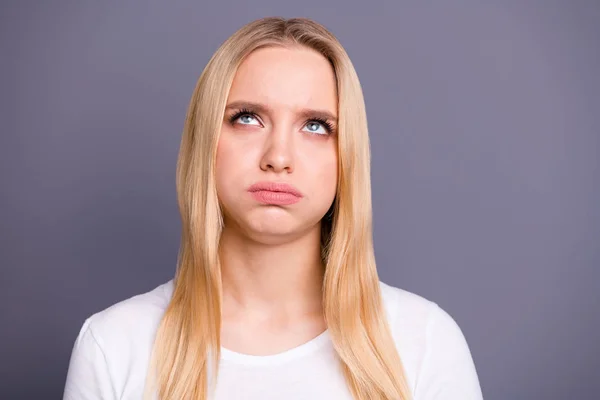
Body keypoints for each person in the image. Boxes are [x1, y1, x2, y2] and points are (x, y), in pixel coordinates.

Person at [63, 16, 483, 400]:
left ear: (347, 156)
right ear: (205, 142)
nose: (278, 156)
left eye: (316, 126)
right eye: (248, 118)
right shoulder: (113, 346)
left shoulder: (424, 342)